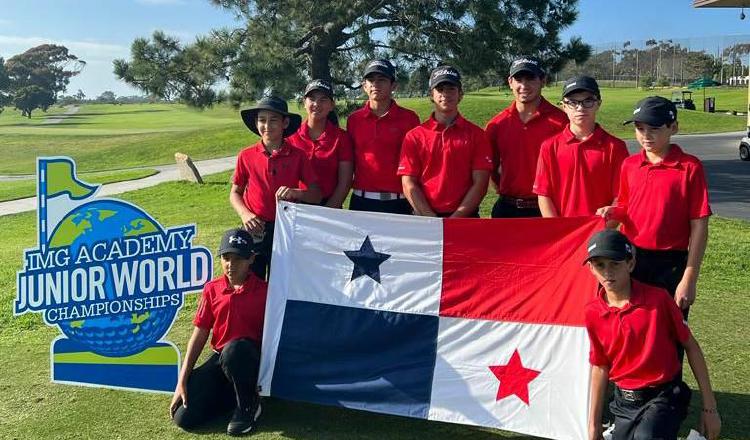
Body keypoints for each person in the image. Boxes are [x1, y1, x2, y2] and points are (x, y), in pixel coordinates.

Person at [583, 229, 720, 440]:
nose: (607, 272)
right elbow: (600, 366)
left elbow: (691, 346)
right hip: (624, 403)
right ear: (591, 268)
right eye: (600, 265)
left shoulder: (659, 300)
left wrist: (709, 408)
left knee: (647, 436)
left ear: (630, 264)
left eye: (615, 264)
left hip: (663, 397)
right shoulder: (592, 312)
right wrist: (593, 426)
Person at [597, 97, 711, 316]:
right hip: (631, 260)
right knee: (630, 324)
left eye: (654, 128)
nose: (645, 136)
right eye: (639, 129)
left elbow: (699, 226)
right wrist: (611, 212)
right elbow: (625, 207)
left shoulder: (689, 167)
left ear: (673, 127)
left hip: (671, 264)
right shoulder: (630, 165)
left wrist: (689, 278)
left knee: (668, 332)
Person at [171, 228, 268, 436]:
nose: (231, 265)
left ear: (251, 258)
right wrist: (183, 380)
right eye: (226, 258)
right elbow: (199, 334)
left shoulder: (266, 291)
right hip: (221, 359)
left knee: (235, 351)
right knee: (183, 417)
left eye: (239, 259)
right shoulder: (212, 289)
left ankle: (248, 407)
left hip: (250, 359)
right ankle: (237, 395)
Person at [231, 96, 322, 279]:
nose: (267, 126)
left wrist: (296, 192)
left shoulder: (298, 156)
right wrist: (244, 214)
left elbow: (316, 195)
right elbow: (235, 193)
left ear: (285, 123)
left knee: (279, 281)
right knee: (252, 280)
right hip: (254, 227)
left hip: (285, 228)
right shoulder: (246, 155)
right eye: (262, 120)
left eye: (273, 120)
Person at [398, 65, 492, 217]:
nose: (445, 94)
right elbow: (408, 183)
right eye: (440, 89)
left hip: (465, 218)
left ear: (460, 94)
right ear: (431, 95)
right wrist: (431, 218)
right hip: (425, 218)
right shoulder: (415, 136)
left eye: (451, 89)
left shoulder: (477, 135)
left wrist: (456, 218)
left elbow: (480, 183)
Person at [533, 75, 629, 218]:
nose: (580, 108)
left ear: (598, 104)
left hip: (599, 233)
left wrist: (601, 229)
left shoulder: (615, 147)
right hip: (562, 233)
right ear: (564, 106)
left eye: (588, 101)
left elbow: (620, 198)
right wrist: (557, 229)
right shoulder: (550, 147)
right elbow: (544, 195)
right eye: (573, 102)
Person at [485, 56, 567, 218]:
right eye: (518, 79)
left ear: (543, 81)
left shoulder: (562, 122)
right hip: (507, 208)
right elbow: (490, 168)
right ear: (510, 82)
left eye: (530, 78)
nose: (524, 85)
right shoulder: (497, 124)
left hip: (548, 210)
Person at [347, 59, 421, 214]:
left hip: (399, 202)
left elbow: (415, 164)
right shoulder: (354, 120)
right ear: (364, 86)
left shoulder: (409, 118)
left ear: (393, 85)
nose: (376, 84)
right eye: (371, 80)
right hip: (362, 201)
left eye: (382, 80)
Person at [287, 79, 354, 208]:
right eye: (311, 99)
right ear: (304, 103)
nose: (316, 104)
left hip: (330, 206)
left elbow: (344, 183)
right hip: (295, 207)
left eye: (323, 100)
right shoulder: (290, 137)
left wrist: (328, 213)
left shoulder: (341, 138)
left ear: (331, 105)